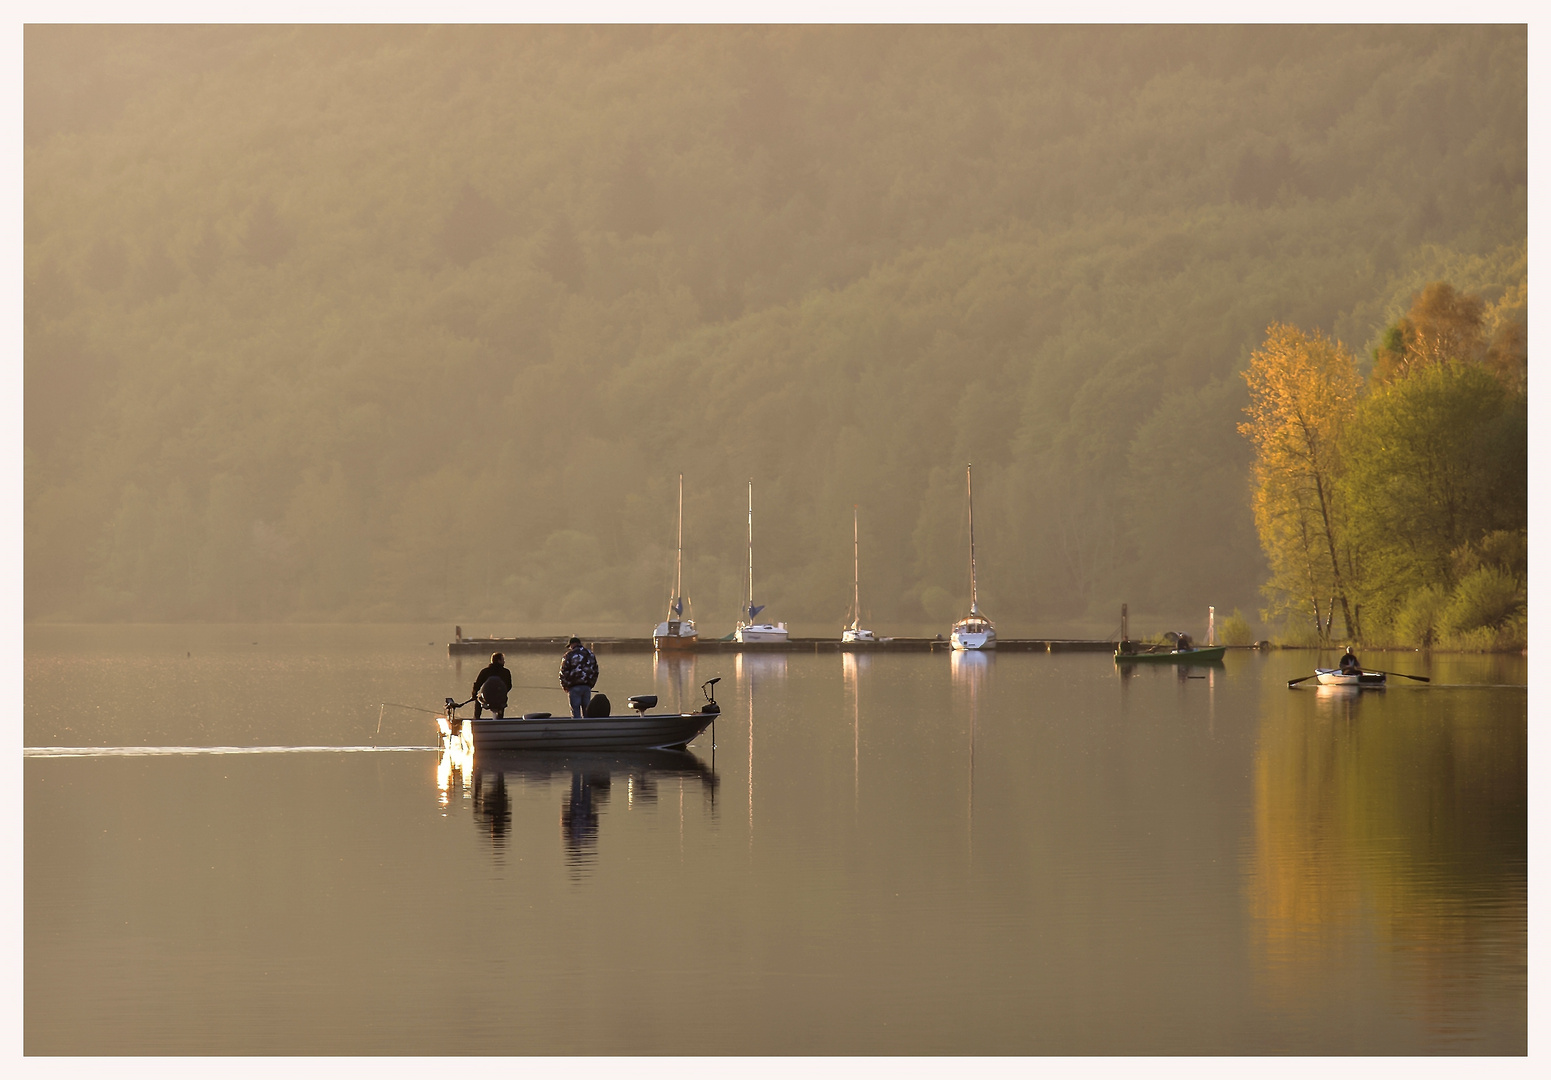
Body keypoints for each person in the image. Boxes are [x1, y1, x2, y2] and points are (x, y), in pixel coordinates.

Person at [559, 637, 599, 718]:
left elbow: (563, 672)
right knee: (587, 711)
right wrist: (591, 684)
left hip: (573, 687)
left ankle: (577, 728)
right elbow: (595, 671)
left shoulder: (569, 655)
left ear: (572, 644)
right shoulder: (590, 654)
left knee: (575, 712)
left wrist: (565, 686)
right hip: (587, 686)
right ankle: (588, 728)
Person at [471, 652, 512, 719]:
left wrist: (473, 694)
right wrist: (501, 692)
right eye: (503, 660)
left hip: (487, 699)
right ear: (499, 661)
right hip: (501, 699)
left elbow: (477, 685)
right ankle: (500, 719)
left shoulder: (485, 671)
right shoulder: (506, 672)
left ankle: (476, 718)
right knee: (502, 699)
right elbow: (509, 686)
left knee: (478, 698)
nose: (504, 662)